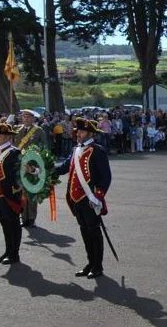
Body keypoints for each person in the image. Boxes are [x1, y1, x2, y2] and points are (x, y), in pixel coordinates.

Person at [47, 117, 112, 279]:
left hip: (90, 200)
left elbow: (106, 177)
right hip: (76, 199)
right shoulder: (75, 150)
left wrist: (98, 197)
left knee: (94, 232)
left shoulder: (98, 151)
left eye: (81, 131)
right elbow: (63, 168)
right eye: (77, 131)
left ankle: (98, 266)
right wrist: (44, 168)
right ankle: (90, 263)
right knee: (85, 231)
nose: (78, 134)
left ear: (90, 133)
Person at [0, 123, 23, 265]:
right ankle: (8, 250)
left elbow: (20, 175)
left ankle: (14, 254)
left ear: (7, 137)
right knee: (4, 224)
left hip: (9, 195)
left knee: (13, 223)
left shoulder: (14, 153)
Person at [14, 110, 48, 228]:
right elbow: (13, 146)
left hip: (33, 165)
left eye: (29, 117)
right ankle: (23, 217)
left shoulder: (39, 131)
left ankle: (32, 218)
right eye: (24, 117)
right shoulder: (17, 130)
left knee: (31, 192)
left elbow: (44, 147)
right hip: (20, 165)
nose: (26, 119)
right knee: (22, 193)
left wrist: (39, 164)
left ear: (33, 118)